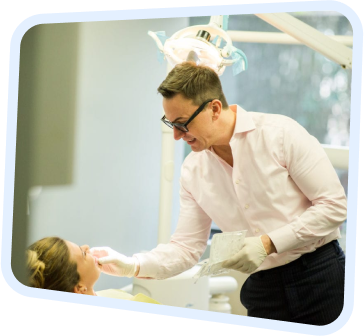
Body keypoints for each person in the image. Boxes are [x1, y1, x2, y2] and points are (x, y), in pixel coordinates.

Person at [91, 61, 347, 325]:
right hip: (263, 287)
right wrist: (132, 264)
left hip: (320, 273)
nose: (178, 136)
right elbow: (186, 248)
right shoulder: (193, 171)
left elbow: (334, 206)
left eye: (182, 124)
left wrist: (267, 243)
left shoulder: (280, 135)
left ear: (214, 108)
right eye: (171, 124)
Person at [26, 236, 160, 304]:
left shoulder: (109, 295)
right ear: (79, 287)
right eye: (83, 253)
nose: (86, 247)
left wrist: (134, 267)